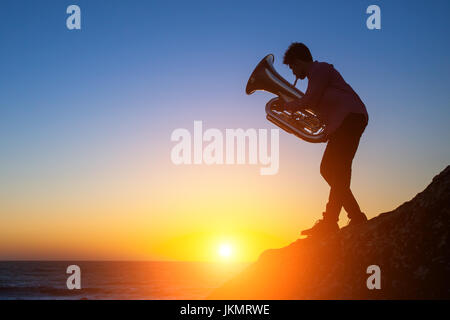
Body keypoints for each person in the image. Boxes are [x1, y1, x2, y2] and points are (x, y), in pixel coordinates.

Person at [282, 42, 369, 237]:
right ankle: (338, 220)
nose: (293, 72)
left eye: (292, 67)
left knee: (329, 169)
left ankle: (345, 218)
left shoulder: (319, 69)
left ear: (298, 61)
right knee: (339, 173)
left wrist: (287, 107)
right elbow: (322, 111)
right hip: (347, 121)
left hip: (351, 119)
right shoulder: (316, 77)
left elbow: (309, 101)